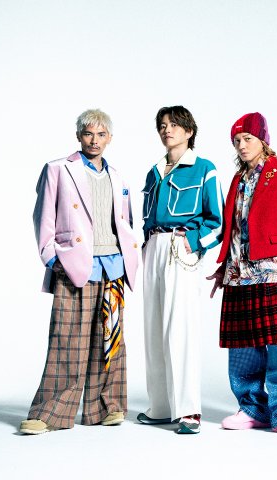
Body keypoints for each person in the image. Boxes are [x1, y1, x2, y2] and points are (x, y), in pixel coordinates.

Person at [21, 109, 139, 434]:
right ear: (79, 136)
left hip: (113, 266)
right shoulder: (58, 169)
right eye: (88, 134)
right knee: (67, 340)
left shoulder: (118, 176)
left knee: (109, 340)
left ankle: (106, 408)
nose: (94, 140)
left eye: (101, 135)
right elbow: (42, 216)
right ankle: (49, 413)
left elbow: (125, 221)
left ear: (110, 138)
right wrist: (51, 259)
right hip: (75, 266)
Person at [208, 112, 277, 437]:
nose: (241, 145)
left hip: (273, 269)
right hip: (238, 272)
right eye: (237, 141)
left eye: (248, 139)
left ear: (263, 140)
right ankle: (252, 408)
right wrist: (223, 266)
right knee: (242, 346)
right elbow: (233, 229)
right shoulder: (237, 180)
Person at [139, 105, 223, 434]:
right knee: (153, 328)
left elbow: (218, 222)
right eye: (162, 125)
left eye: (174, 125)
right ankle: (161, 406)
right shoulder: (154, 172)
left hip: (180, 246)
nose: (167, 130)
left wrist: (194, 241)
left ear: (189, 131)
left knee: (181, 328)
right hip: (153, 247)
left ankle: (188, 411)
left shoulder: (204, 168)